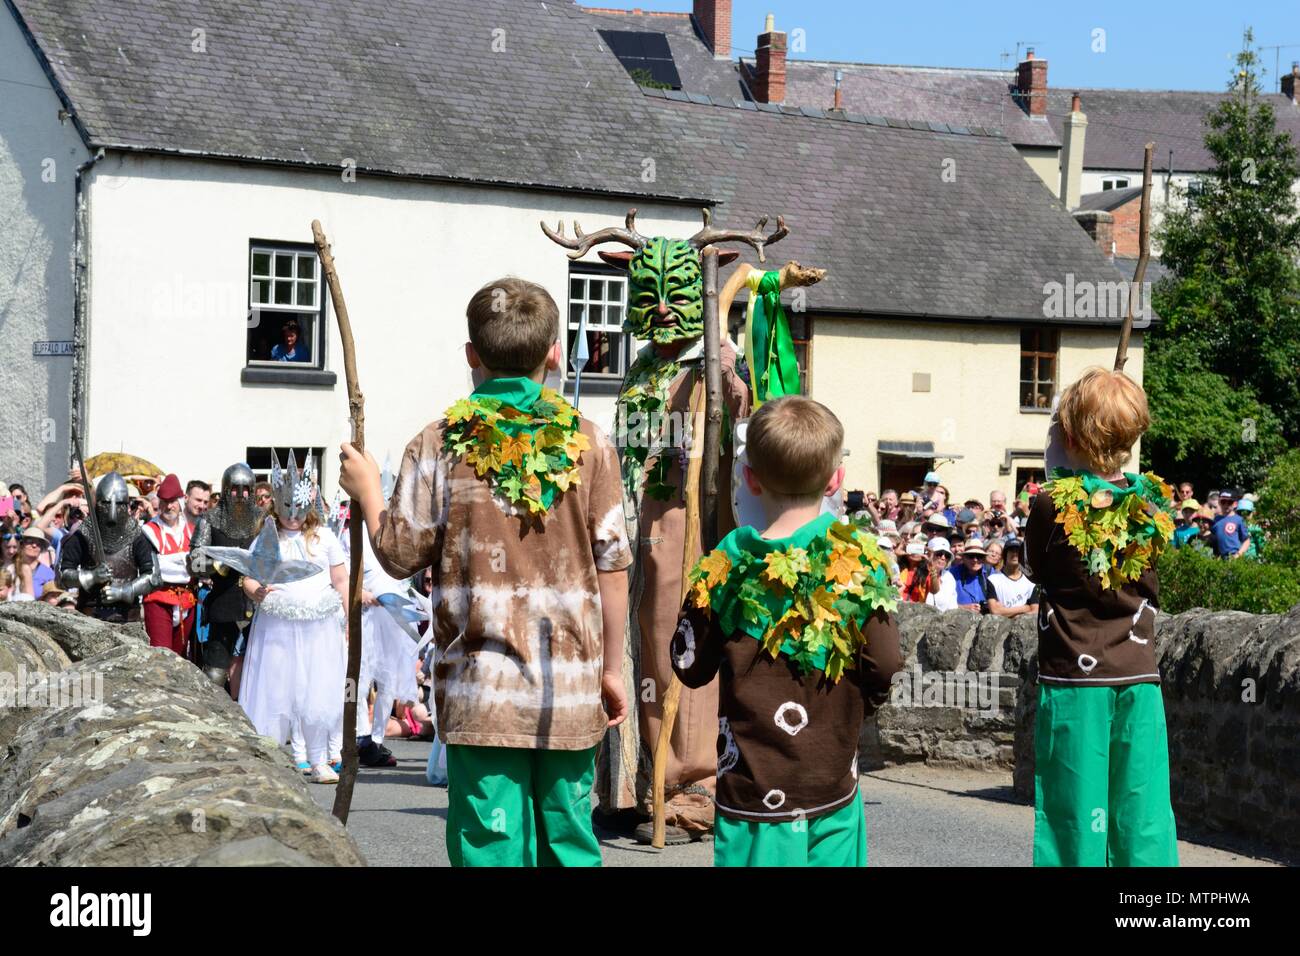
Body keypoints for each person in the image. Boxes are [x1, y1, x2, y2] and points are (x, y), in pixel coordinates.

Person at [338, 277, 632, 866]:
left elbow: (398, 554)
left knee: (490, 847)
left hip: (482, 691)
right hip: (569, 687)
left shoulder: (439, 442)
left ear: (471, 354)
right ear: (555, 352)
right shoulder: (592, 442)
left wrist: (368, 492)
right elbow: (613, 566)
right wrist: (613, 667)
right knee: (570, 843)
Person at [670, 396, 902, 866]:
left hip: (752, 790)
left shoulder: (724, 565)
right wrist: (862, 709)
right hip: (832, 779)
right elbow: (885, 663)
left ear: (750, 479)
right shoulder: (858, 559)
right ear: (836, 479)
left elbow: (689, 665)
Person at [1026, 367, 1178, 867]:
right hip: (1138, 674)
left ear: (1067, 435)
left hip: (1075, 678)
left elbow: (1033, 567)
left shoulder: (1050, 504)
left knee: (1075, 812)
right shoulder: (1153, 501)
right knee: (1142, 810)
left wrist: (1056, 455)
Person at [237, 453, 346, 784]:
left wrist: (347, 621)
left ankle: (318, 759)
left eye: (298, 511)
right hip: (280, 627)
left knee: (316, 692)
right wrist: (255, 590)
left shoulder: (325, 538)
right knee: (279, 689)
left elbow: (341, 580)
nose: (293, 518)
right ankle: (273, 758)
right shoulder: (268, 538)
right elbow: (250, 577)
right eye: (286, 511)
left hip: (319, 626)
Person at [189, 463, 263, 690]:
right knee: (215, 673)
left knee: (259, 670)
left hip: (258, 604)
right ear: (225, 489)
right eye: (234, 489)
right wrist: (217, 565)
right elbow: (194, 562)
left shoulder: (263, 519)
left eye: (245, 489)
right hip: (223, 603)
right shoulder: (210, 520)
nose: (240, 495)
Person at [59, 472, 159, 622]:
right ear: (97, 503)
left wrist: (125, 591)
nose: (112, 512)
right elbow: (62, 577)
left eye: (119, 504)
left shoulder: (137, 535)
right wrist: (91, 577)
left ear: (126, 505)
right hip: (90, 615)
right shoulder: (83, 534)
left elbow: (154, 577)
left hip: (128, 616)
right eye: (106, 504)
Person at [135, 474, 195, 656]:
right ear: (158, 503)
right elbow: (154, 569)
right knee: (162, 657)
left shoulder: (192, 531)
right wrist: (185, 562)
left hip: (187, 600)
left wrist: (175, 562)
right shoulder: (148, 532)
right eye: (164, 501)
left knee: (181, 658)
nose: (169, 506)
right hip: (159, 598)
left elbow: (199, 566)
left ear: (181, 500)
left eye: (173, 501)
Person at [984, 538, 1037, 617]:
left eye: (1018, 551)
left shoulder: (1031, 581)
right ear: (1005, 555)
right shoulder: (993, 580)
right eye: (1012, 550)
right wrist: (1024, 608)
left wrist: (1005, 612)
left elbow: (1035, 609)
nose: (1015, 554)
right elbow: (995, 611)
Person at [10, 527, 55, 600]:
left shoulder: (48, 573)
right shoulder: (11, 567)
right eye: (30, 541)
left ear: (41, 548)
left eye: (38, 544)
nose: (34, 545)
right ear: (21, 544)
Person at [949, 538, 991, 612]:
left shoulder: (990, 572)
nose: (975, 560)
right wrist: (962, 607)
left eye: (979, 556)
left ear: (983, 559)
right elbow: (943, 602)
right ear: (963, 557)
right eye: (971, 556)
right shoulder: (952, 574)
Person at [1211, 491, 1250, 559]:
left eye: (1229, 502)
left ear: (1235, 504)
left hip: (1233, 556)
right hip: (1219, 558)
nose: (1226, 505)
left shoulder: (1238, 520)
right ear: (1219, 503)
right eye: (1223, 502)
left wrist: (1238, 555)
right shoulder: (1216, 519)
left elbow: (1246, 540)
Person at [923, 536, 957, 610]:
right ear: (929, 554)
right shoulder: (919, 571)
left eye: (947, 555)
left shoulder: (949, 578)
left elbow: (952, 607)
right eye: (939, 554)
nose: (943, 558)